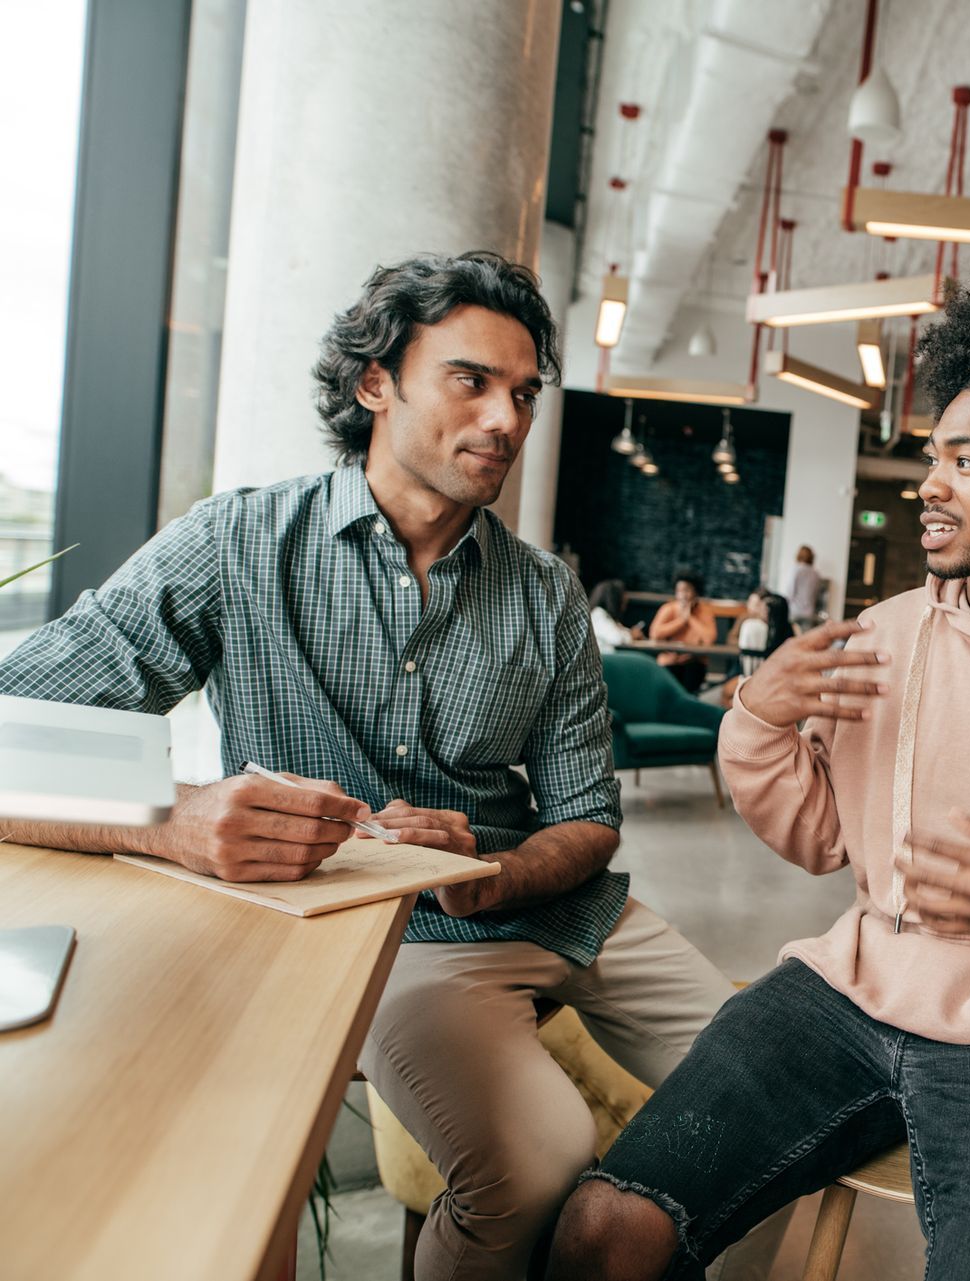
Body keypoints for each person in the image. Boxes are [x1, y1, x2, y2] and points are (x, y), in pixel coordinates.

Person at [0, 252, 773, 1281]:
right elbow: (16, 732)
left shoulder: (545, 594)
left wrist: (490, 870)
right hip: (397, 938)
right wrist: (173, 818)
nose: (505, 418)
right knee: (539, 1162)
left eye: (523, 393)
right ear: (376, 384)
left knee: (778, 1097)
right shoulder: (238, 545)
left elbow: (589, 816)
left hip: (566, 912)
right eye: (470, 380)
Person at [549, 267, 970, 1281]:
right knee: (604, 1233)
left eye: (967, 460)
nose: (931, 483)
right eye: (934, 457)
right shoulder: (886, 634)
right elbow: (819, 834)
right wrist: (761, 722)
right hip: (850, 990)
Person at [648, 572, 717, 693]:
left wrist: (690, 618)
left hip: (694, 662)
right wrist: (681, 621)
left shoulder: (705, 611)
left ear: (696, 592)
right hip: (670, 661)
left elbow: (709, 639)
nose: (683, 595)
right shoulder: (668, 608)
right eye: (679, 591)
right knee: (668, 685)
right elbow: (654, 634)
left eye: (687, 590)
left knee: (691, 678)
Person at [587, 578, 631, 655]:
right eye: (622, 601)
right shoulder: (598, 614)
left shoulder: (602, 614)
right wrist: (630, 635)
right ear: (614, 599)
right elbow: (617, 639)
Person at [783, 544, 823, 628]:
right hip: (808, 612)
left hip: (794, 611)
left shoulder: (795, 569)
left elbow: (790, 591)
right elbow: (816, 593)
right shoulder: (816, 574)